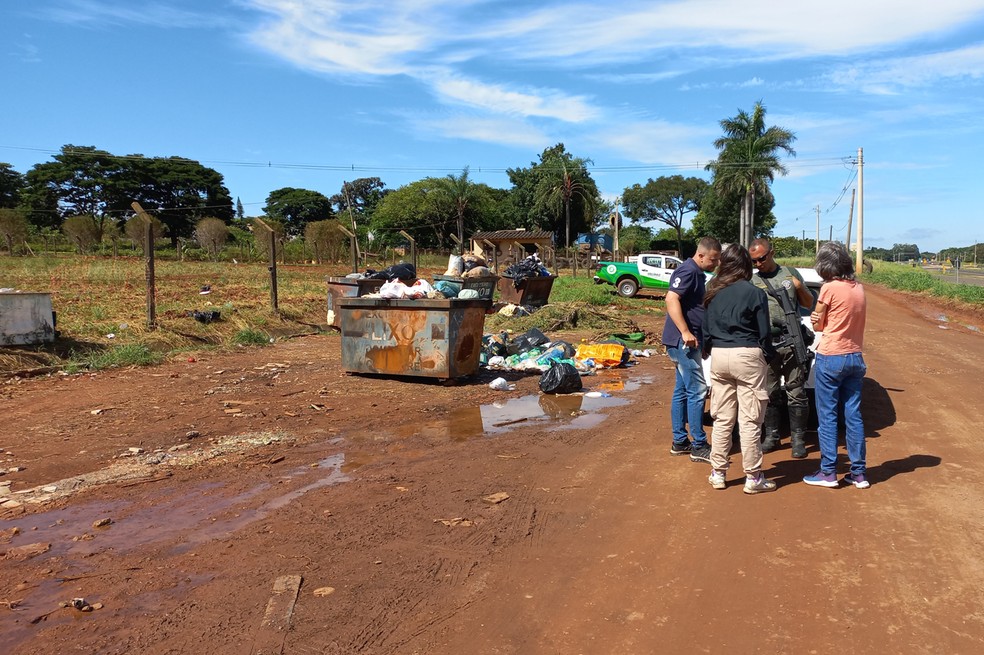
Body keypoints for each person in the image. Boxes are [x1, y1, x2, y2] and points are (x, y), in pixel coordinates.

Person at [701, 244, 777, 494]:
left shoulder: (712, 290)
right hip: (747, 355)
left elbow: (705, 327)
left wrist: (708, 350)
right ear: (745, 265)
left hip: (719, 356)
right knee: (750, 420)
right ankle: (753, 478)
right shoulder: (754, 293)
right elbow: (764, 333)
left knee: (722, 418)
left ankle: (718, 473)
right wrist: (767, 356)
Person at [803, 242, 869, 488]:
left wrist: (815, 318)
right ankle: (859, 473)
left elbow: (818, 324)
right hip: (855, 356)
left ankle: (828, 471)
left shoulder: (829, 288)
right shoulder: (859, 288)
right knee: (853, 415)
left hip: (831, 356)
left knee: (828, 416)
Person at [748, 238, 816, 458]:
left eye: (761, 258)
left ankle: (798, 439)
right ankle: (772, 436)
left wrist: (797, 286)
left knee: (796, 392)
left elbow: (808, 303)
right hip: (767, 345)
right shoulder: (752, 280)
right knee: (770, 392)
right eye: (754, 261)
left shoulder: (789, 273)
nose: (757, 263)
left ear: (772, 253)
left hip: (792, 342)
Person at [662, 236, 721, 464]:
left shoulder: (697, 273)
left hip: (689, 342)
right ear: (701, 255)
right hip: (682, 342)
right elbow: (671, 299)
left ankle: (680, 441)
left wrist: (701, 340)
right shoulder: (687, 271)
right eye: (713, 260)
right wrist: (686, 332)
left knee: (682, 390)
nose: (715, 264)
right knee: (697, 390)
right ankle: (698, 444)